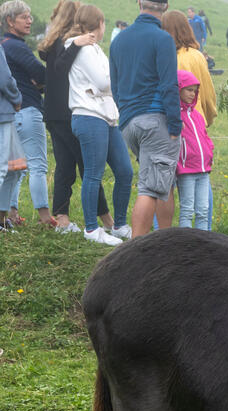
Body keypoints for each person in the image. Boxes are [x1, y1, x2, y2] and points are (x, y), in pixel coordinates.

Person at [38, 0, 115, 235]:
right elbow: (63, 69)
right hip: (67, 112)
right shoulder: (70, 42)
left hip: (52, 113)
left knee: (65, 166)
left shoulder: (52, 41)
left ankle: (62, 217)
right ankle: (106, 220)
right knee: (88, 165)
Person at [110, 0, 180, 238]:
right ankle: (136, 250)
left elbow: (115, 86)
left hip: (130, 121)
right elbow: (170, 84)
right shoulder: (162, 39)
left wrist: (126, 114)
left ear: (139, 2)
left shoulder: (119, 39)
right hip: (156, 120)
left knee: (164, 180)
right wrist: (175, 124)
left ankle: (164, 243)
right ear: (166, 6)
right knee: (150, 188)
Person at [66, 2, 132, 245]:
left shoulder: (94, 48)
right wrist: (109, 83)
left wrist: (107, 84)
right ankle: (92, 229)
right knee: (94, 174)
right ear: (99, 24)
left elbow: (106, 82)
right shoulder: (80, 48)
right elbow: (105, 83)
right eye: (104, 23)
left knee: (125, 171)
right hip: (89, 116)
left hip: (107, 117)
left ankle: (120, 224)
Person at [1, 0, 56, 228]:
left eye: (30, 16)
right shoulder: (16, 46)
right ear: (10, 21)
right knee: (37, 165)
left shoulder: (5, 45)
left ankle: (12, 214)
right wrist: (38, 83)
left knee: (17, 167)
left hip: (14, 114)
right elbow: (41, 73)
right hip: (27, 109)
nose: (30, 20)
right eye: (24, 17)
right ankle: (45, 217)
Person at [162, 9, 216, 125]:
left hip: (169, 123)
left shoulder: (163, 58)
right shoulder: (197, 56)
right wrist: (207, 119)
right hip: (195, 120)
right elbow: (207, 94)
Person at [175, 69, 212, 229]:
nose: (192, 94)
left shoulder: (197, 115)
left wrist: (209, 152)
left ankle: (202, 245)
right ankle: (186, 245)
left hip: (203, 171)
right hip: (186, 171)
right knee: (187, 210)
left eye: (195, 91)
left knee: (203, 210)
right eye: (188, 90)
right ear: (179, 89)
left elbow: (205, 137)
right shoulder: (175, 116)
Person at [0, 26, 18, 231]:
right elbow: (5, 78)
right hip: (3, 113)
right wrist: (17, 97)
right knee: (3, 168)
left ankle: (2, 218)